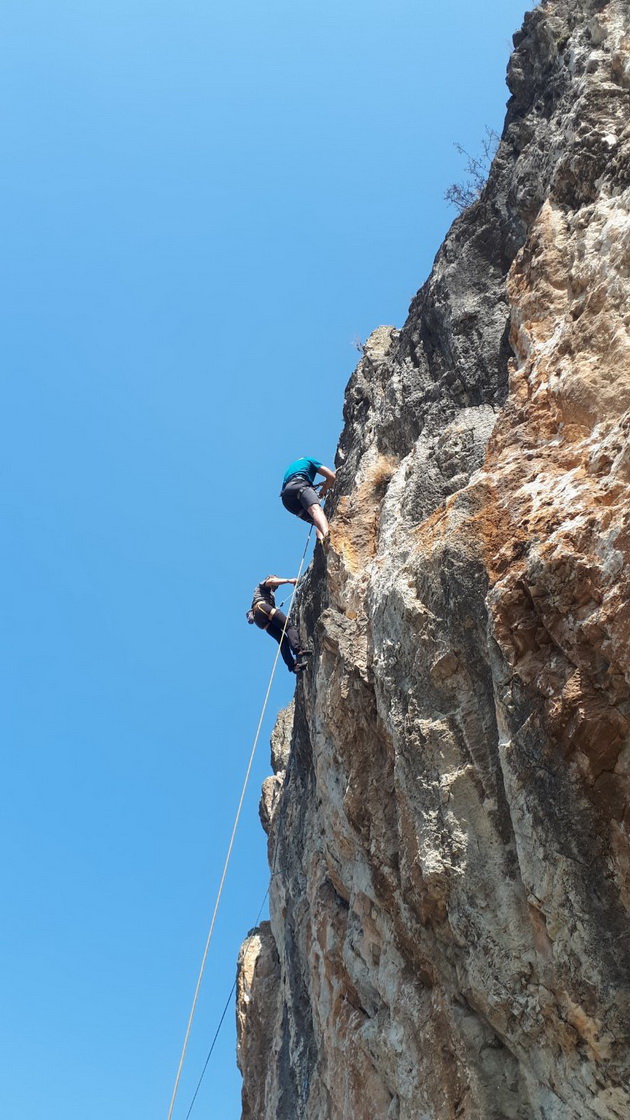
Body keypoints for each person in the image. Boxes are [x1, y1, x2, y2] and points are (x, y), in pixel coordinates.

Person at [247, 575, 311, 673]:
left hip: (261, 621)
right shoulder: (263, 584)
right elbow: (271, 581)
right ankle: (298, 650)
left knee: (283, 640)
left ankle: (293, 666)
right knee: (288, 626)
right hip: (262, 608)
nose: (276, 587)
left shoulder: (267, 595)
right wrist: (290, 581)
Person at [279, 456, 336, 540]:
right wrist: (324, 490)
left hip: (287, 499)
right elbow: (331, 477)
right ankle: (327, 535)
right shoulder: (309, 460)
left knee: (318, 521)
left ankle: (322, 541)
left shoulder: (293, 467)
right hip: (300, 485)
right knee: (316, 510)